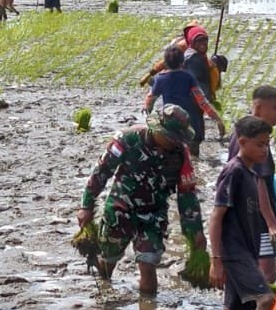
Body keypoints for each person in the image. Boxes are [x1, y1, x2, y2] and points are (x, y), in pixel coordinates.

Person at [77, 104, 206, 295]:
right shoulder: (127, 140)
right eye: (170, 137)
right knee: (107, 263)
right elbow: (101, 172)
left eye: (177, 138)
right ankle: (104, 300)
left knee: (148, 264)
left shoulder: (180, 155)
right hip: (121, 211)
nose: (173, 142)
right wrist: (86, 206)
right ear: (157, 129)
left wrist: (195, 231)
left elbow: (187, 196)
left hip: (154, 215)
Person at [208, 116, 275, 310]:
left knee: (234, 309)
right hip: (233, 251)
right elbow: (216, 217)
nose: (265, 150)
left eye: (267, 144)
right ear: (243, 142)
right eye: (260, 144)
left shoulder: (251, 174)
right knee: (266, 300)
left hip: (245, 250)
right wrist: (216, 260)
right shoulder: (234, 171)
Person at [228, 85, 276, 283]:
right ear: (259, 107)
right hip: (256, 217)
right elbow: (259, 181)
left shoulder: (241, 131)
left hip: (243, 213)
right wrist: (271, 224)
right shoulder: (256, 141)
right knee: (267, 274)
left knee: (252, 267)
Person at [144, 44, 225, 156]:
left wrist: (148, 111)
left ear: (166, 63)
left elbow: (150, 99)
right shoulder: (189, 77)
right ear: (183, 62)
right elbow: (202, 101)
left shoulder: (160, 79)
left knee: (173, 155)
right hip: (191, 124)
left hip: (171, 124)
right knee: (193, 153)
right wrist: (217, 119)